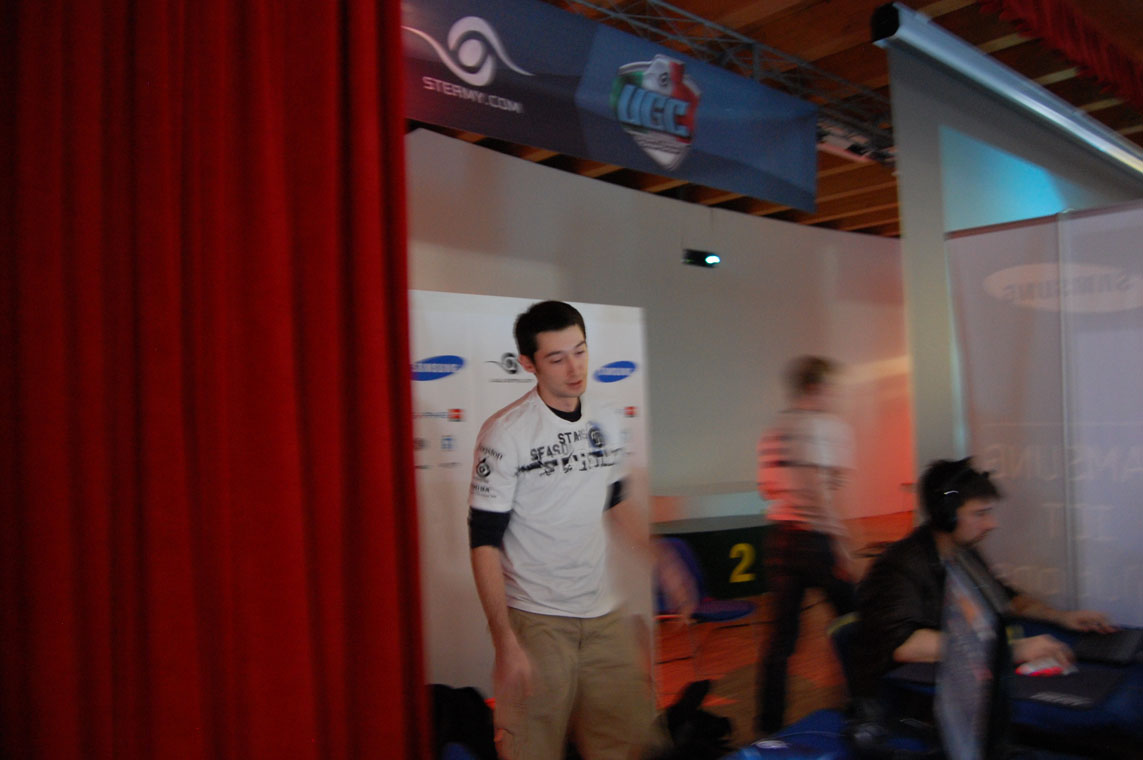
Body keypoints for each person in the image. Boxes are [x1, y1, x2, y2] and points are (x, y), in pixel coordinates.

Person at [467, 300, 692, 760]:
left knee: (626, 742)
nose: (574, 369)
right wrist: (505, 640)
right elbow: (484, 542)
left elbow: (616, 501)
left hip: (602, 614)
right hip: (537, 620)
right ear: (528, 363)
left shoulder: (605, 418)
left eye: (580, 351)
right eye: (557, 358)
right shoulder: (506, 433)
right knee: (532, 748)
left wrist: (662, 559)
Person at [856, 457, 1116, 694]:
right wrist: (1010, 651)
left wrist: (1061, 617)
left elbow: (1006, 598)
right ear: (946, 516)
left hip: (956, 677)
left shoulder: (962, 551)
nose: (992, 524)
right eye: (980, 514)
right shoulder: (898, 566)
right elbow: (906, 646)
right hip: (910, 692)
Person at [755, 355, 857, 734]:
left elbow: (766, 488)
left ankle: (768, 727)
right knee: (855, 625)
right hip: (817, 539)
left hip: (780, 538)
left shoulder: (774, 431)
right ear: (816, 388)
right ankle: (859, 708)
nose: (834, 395)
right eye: (831, 387)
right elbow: (821, 491)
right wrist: (844, 545)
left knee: (780, 643)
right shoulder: (825, 427)